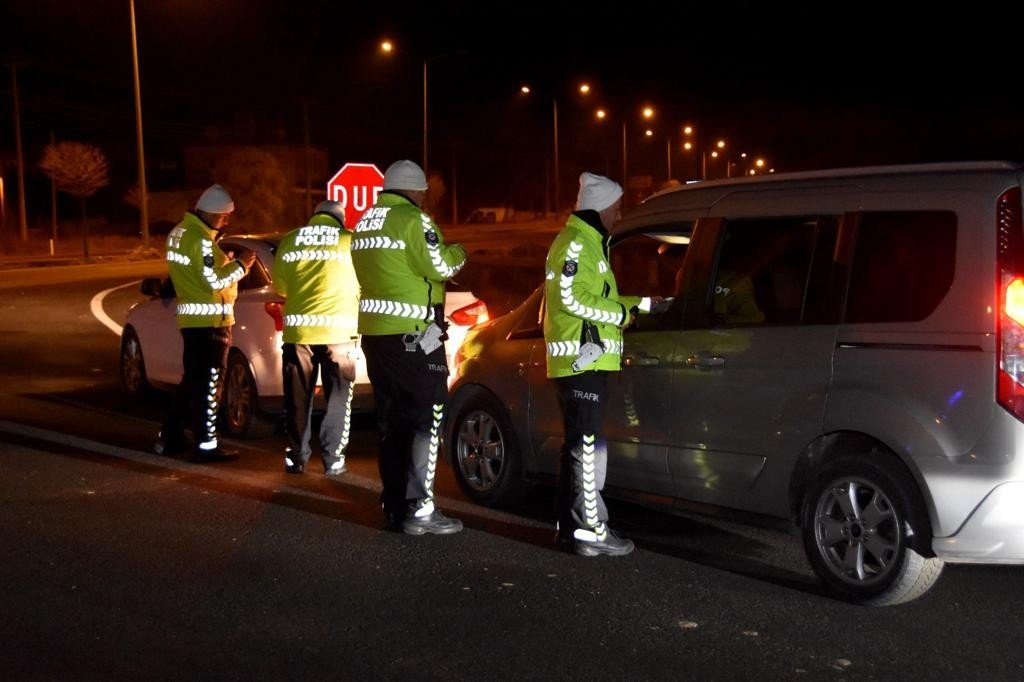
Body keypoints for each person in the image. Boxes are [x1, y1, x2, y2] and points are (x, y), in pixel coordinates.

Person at [350, 160, 467, 535]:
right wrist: (458, 252)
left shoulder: (364, 223)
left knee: (390, 421)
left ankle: (394, 503)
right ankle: (420, 508)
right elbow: (439, 266)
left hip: (376, 337)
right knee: (425, 418)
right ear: (415, 191)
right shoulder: (414, 221)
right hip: (414, 337)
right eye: (423, 194)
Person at [544, 172, 657, 557]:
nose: (619, 213)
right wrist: (623, 312)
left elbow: (589, 295)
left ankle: (570, 529)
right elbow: (573, 300)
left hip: (584, 361)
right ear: (602, 207)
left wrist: (638, 304)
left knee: (579, 447)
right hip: (581, 362)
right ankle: (590, 531)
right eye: (617, 207)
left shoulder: (589, 243)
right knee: (588, 449)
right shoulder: (578, 244)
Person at [154, 184, 256, 463]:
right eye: (224, 217)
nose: (226, 222)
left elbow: (197, 274)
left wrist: (225, 263)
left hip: (191, 321)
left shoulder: (179, 234)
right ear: (211, 214)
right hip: (211, 323)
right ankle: (206, 446)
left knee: (192, 384)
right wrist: (242, 266)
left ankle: (171, 437)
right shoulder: (200, 239)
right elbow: (212, 280)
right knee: (210, 384)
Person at [271, 200, 360, 476]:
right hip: (340, 335)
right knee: (338, 399)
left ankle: (297, 457)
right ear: (341, 220)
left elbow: (281, 288)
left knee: (298, 399)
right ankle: (333, 459)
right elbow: (366, 281)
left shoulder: (291, 240)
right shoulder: (350, 242)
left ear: (315, 217)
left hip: (299, 335)